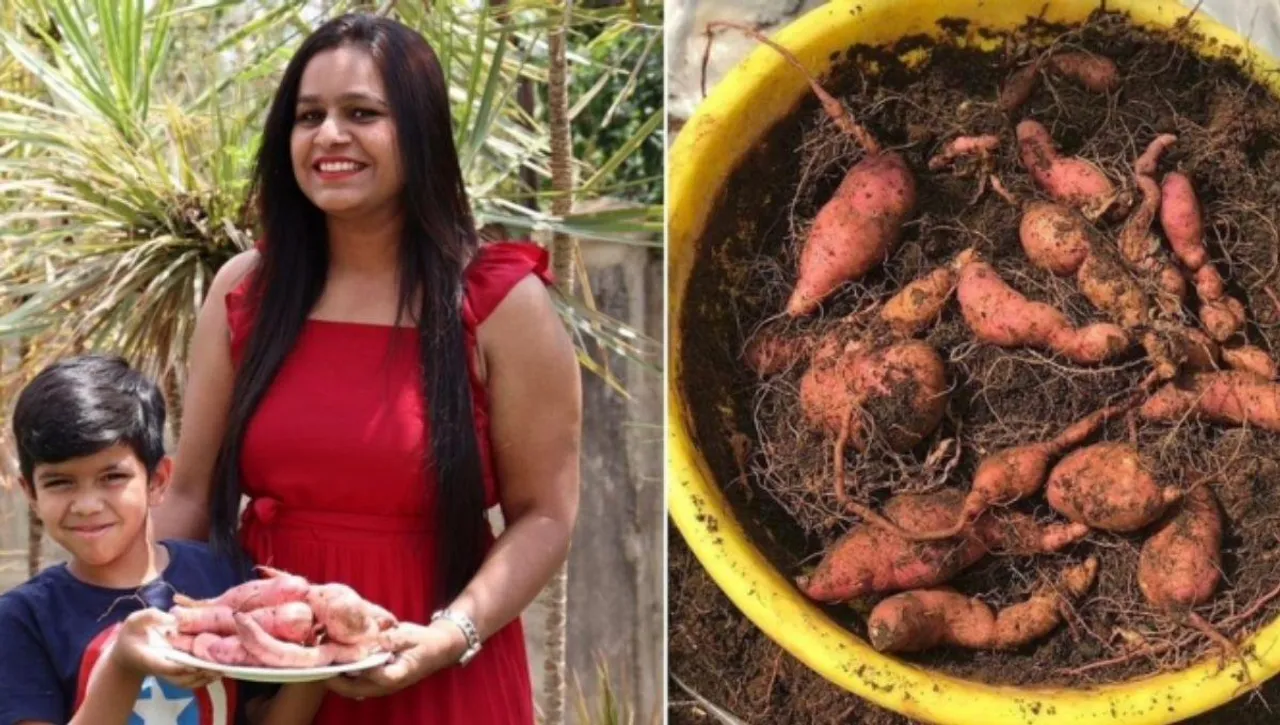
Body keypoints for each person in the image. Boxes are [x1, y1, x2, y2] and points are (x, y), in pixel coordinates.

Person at [154, 12, 582, 724]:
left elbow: (545, 514)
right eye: (309, 115)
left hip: (440, 671)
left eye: (362, 113)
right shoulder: (243, 292)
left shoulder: (502, 304)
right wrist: (157, 625)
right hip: (266, 667)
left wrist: (449, 636)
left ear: (419, 133)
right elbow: (191, 493)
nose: (329, 136)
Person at [0, 355, 321, 725]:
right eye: (60, 482)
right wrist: (122, 667)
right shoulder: (22, 621)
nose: (87, 505)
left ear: (157, 481)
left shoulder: (226, 575)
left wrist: (318, 664)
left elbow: (265, 717)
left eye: (112, 477)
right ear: (31, 494)